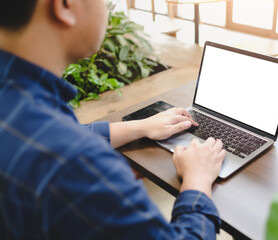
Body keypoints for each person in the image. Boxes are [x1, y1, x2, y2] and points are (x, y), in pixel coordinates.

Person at [0, 0, 226, 239]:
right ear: (65, 5)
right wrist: (197, 180)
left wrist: (139, 126)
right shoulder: (77, 163)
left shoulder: (22, 108)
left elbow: (52, 135)